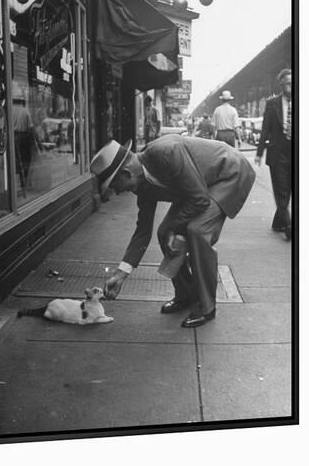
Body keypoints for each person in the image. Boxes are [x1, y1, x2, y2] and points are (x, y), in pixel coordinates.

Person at [90, 135, 256, 328]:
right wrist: (120, 274)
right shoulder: (141, 185)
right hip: (197, 187)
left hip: (228, 173)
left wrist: (175, 229)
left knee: (197, 231)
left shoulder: (167, 152)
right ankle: (186, 294)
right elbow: (142, 232)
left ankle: (206, 306)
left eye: (114, 186)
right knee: (163, 233)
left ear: (126, 173)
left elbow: (200, 199)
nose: (117, 192)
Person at [255, 69, 292, 241]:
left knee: (289, 190)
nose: (291, 86)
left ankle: (279, 221)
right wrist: (259, 152)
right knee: (281, 190)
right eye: (287, 83)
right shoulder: (272, 104)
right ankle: (290, 226)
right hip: (278, 153)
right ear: (281, 85)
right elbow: (265, 130)